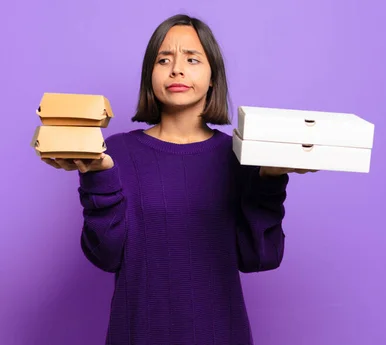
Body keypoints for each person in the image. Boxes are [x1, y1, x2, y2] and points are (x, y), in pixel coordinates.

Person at [42, 13, 315, 345]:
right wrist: (98, 178)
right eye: (163, 59)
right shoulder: (114, 153)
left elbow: (260, 257)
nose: (177, 69)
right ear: (150, 75)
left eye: (192, 58)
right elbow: (106, 255)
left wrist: (270, 181)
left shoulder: (243, 157)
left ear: (213, 75)